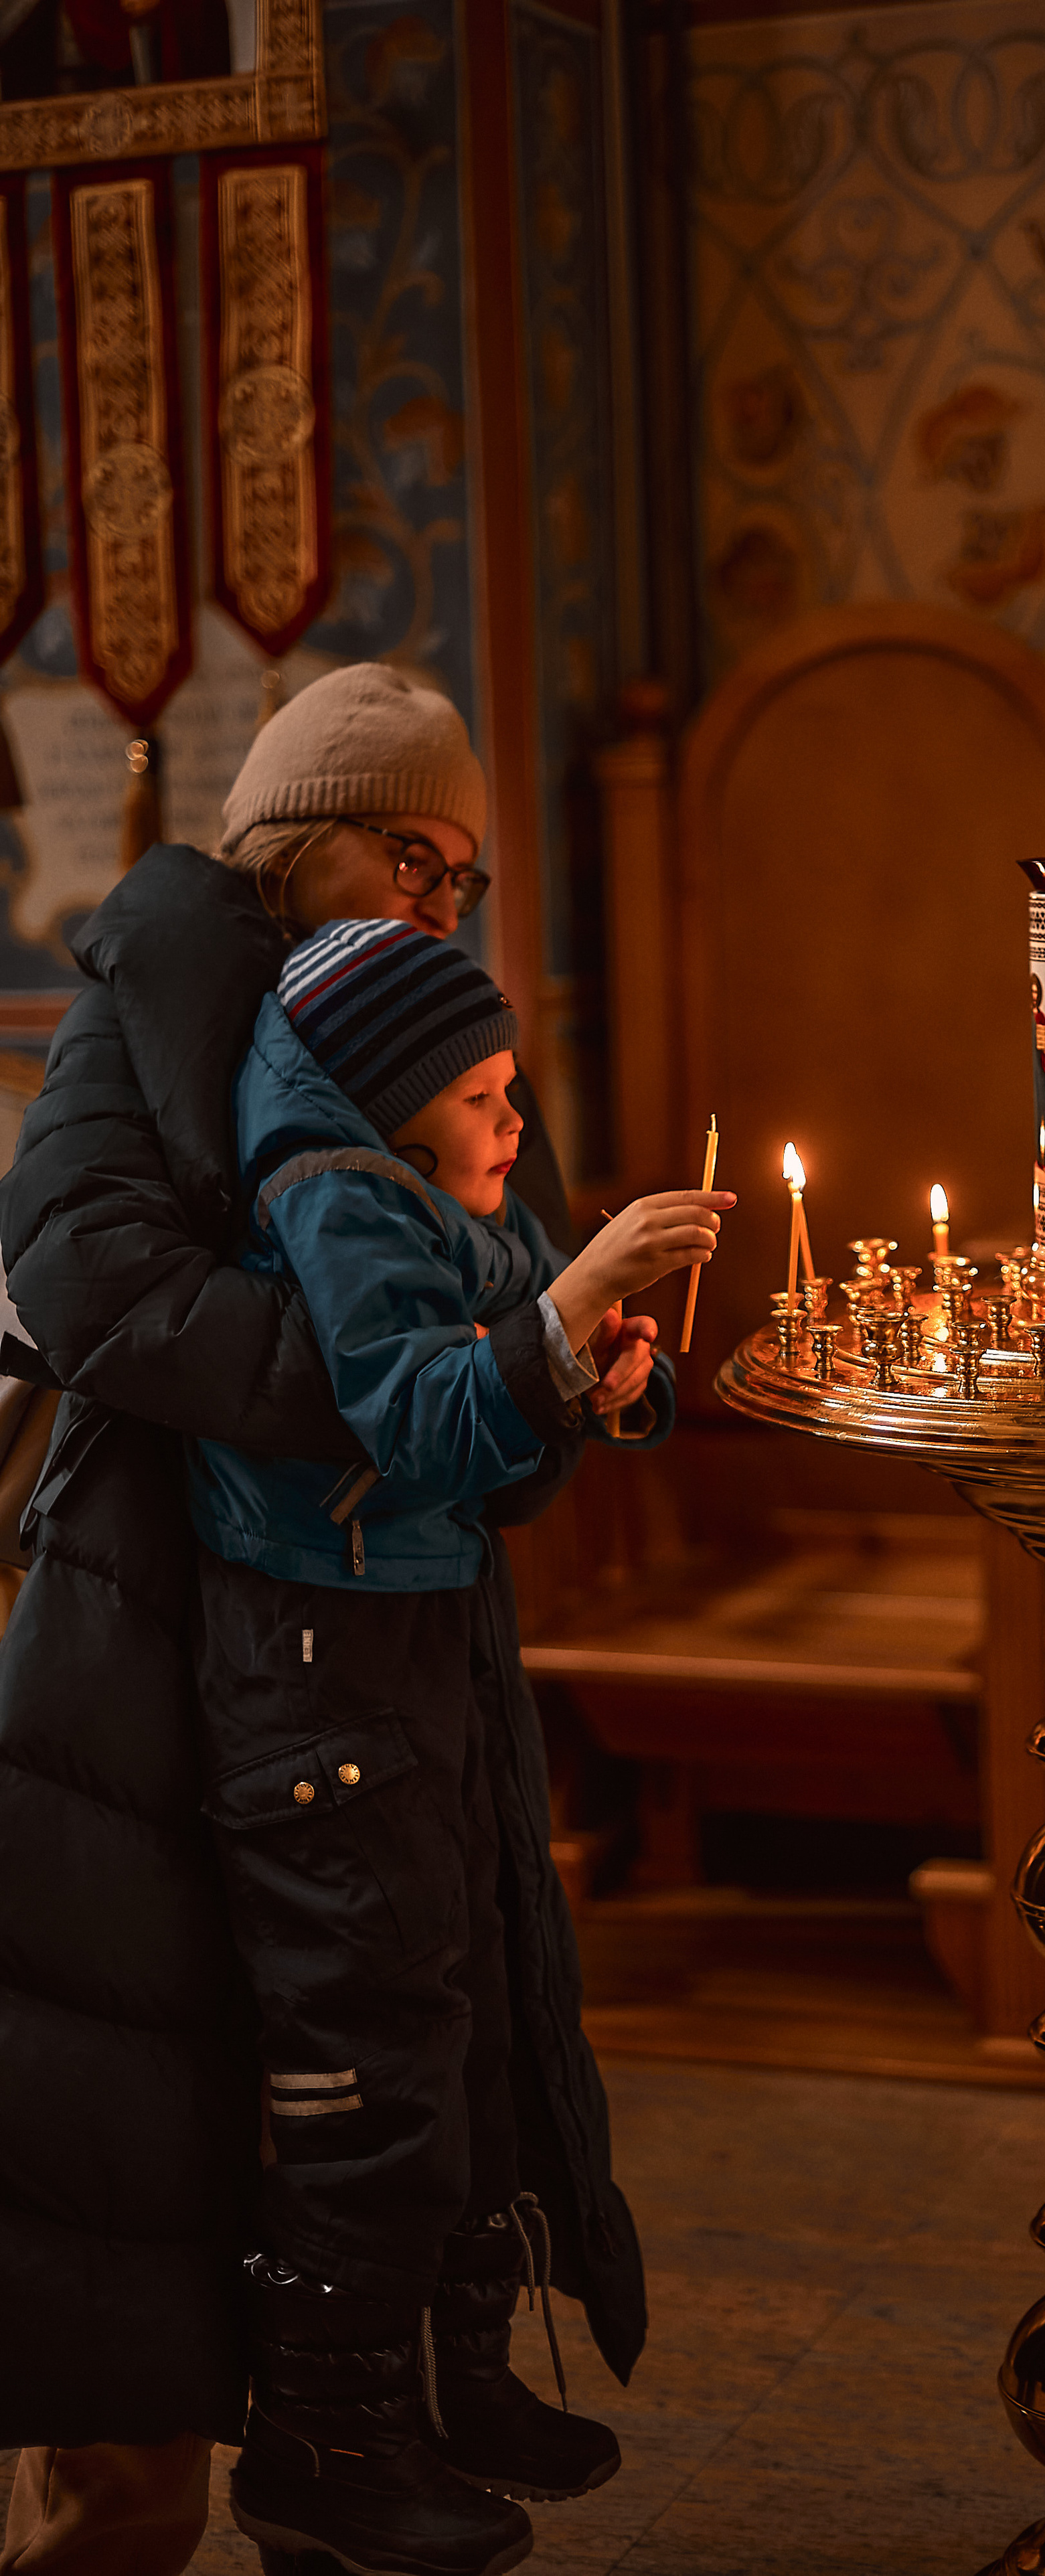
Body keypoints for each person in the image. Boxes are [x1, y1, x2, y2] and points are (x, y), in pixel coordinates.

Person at [0, 667, 690, 2576]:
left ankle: (366, 2442)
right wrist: (425, 1380)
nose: (447, 896)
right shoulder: (153, 1006)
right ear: (308, 835)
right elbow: (93, 1290)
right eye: (417, 854)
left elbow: (516, 1348)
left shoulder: (421, 1032)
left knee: (388, 2081)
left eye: (467, 870)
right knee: (130, 2186)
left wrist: (566, 1380)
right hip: (146, 1661)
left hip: (390, 1651)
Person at [187, 917, 727, 2575]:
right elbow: (416, 1413)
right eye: (486, 1095)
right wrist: (565, 1316)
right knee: (373, 2051)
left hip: (408, 1649)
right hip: (318, 1670)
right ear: (396, 1093)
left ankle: (453, 2384)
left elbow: (504, 1378)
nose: (511, 1123)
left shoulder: (429, 1188)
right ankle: (334, 2443)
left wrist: (599, 1370)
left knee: (467, 2006)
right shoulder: (333, 1196)